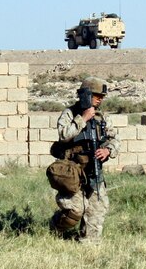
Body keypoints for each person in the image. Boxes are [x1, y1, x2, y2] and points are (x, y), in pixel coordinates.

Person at [50, 77, 119, 243]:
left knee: (97, 209)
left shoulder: (102, 117)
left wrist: (108, 150)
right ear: (86, 95)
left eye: (102, 96)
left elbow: (115, 139)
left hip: (94, 170)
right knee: (76, 210)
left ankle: (88, 243)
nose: (100, 99)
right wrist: (83, 118)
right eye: (96, 95)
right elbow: (64, 134)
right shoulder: (70, 113)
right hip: (73, 170)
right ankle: (54, 228)